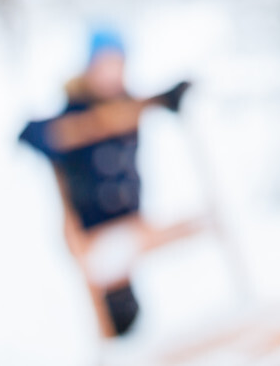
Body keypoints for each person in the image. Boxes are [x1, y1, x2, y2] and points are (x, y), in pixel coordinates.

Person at [20, 28, 192, 337]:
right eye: (104, 65)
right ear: (89, 68)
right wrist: (49, 135)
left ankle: (126, 328)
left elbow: (155, 100)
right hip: (95, 228)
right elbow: (31, 133)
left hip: (129, 220)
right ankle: (118, 330)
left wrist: (171, 97)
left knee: (126, 303)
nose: (112, 74)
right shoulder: (75, 108)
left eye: (118, 65)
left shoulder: (128, 102)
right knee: (114, 299)